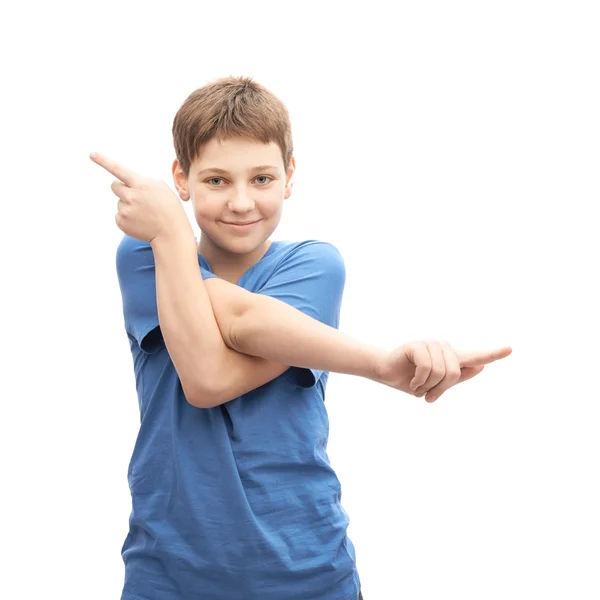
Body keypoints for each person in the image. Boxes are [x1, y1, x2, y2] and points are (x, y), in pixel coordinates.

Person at [90, 76, 512, 600]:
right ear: (182, 177)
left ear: (290, 176)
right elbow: (205, 376)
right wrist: (171, 234)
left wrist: (169, 236)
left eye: (262, 178)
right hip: (169, 575)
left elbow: (240, 330)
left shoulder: (314, 265)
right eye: (217, 180)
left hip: (307, 571)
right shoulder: (143, 253)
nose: (242, 202)